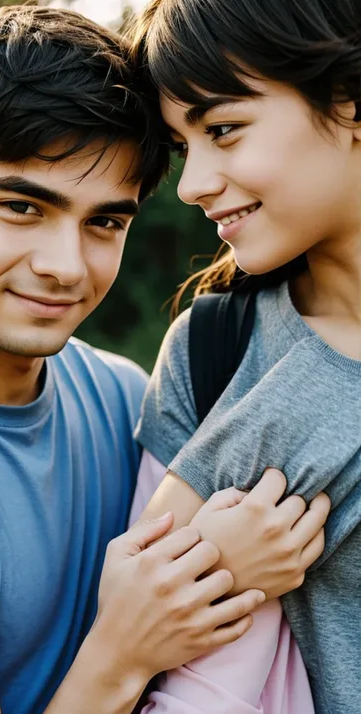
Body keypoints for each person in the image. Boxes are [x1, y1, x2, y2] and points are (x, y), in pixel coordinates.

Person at [0, 5, 329, 714]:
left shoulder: (127, 400)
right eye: (23, 208)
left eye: (105, 222)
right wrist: (125, 648)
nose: (66, 266)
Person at [128, 1, 361, 713]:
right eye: (182, 147)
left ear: (350, 103)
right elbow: (142, 632)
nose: (193, 183)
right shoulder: (215, 351)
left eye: (223, 130)